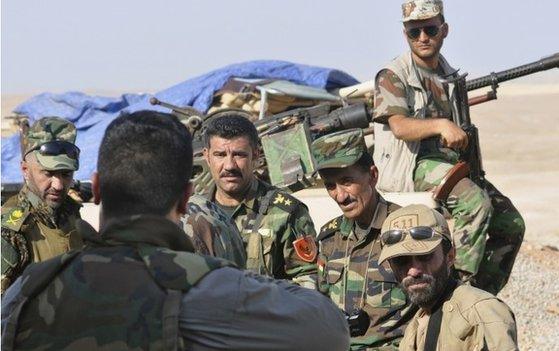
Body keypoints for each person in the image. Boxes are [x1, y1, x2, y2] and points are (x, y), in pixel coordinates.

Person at [0, 111, 350, 351]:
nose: (230, 165)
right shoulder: (210, 290)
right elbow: (331, 331)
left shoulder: (28, 292)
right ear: (185, 199)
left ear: (97, 188)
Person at [372, 0, 525, 294]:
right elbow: (400, 126)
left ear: (444, 30)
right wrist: (441, 125)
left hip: (448, 165)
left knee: (511, 224)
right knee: (474, 204)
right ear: (405, 35)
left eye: (430, 29)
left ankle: (481, 293)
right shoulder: (393, 74)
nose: (423, 38)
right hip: (415, 164)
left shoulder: (447, 74)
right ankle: (458, 291)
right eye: (414, 32)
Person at [185, 113, 318, 288]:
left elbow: (309, 280)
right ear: (207, 157)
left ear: (255, 155)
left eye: (239, 155)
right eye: (220, 154)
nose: (229, 165)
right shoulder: (189, 212)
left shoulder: (286, 212)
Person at [313, 129, 410, 349]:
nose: (340, 196)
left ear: (373, 176)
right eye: (330, 186)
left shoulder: (404, 228)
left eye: (347, 181)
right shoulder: (330, 237)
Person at [378, 204, 518, 350]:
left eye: (425, 256)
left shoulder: (482, 312)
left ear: (450, 256)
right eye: (401, 260)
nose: (413, 271)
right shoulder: (417, 324)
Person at [1, 117, 83, 293]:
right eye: (48, 173)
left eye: (66, 174)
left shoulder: (70, 210)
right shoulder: (11, 230)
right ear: (25, 170)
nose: (58, 185)